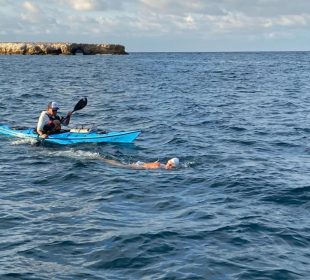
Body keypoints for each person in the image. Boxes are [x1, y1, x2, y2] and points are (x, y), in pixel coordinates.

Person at [102, 157, 180, 170]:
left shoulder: (161, 166)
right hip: (139, 166)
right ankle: (101, 159)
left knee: (121, 165)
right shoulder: (158, 165)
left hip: (140, 165)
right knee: (120, 165)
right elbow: (147, 167)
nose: (170, 167)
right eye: (171, 166)